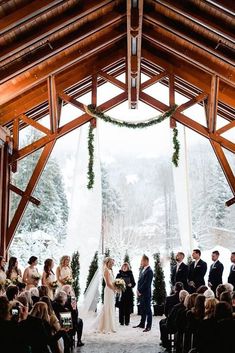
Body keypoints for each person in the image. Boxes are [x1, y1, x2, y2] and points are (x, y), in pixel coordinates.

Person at [134, 254, 153, 332]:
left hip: (146, 293)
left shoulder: (150, 271)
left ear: (146, 261)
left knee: (148, 309)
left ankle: (148, 326)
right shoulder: (142, 269)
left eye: (142, 260)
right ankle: (142, 324)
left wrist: (140, 291)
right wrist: (137, 290)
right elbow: (140, 281)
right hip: (141, 293)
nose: (141, 262)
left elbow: (147, 283)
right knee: (142, 309)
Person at [96, 257, 116, 333]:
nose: (112, 264)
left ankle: (111, 325)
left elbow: (112, 282)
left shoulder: (110, 270)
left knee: (111, 306)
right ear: (107, 263)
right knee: (107, 307)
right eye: (110, 263)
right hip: (108, 290)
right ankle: (105, 326)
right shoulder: (106, 271)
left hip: (111, 290)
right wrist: (114, 289)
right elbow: (108, 283)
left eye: (112, 263)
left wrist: (116, 287)